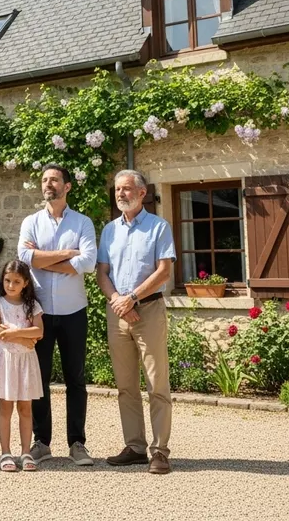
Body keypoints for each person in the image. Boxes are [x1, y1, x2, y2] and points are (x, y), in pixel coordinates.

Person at [96, 169, 175, 475]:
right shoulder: (109, 231)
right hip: (118, 314)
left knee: (157, 384)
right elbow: (102, 272)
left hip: (149, 312)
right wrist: (119, 301)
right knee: (125, 386)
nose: (120, 194)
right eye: (117, 190)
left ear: (142, 193)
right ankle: (135, 447)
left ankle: (159, 451)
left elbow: (164, 271)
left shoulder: (159, 227)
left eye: (127, 189)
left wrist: (133, 299)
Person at [18, 163, 96, 467]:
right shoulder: (31, 222)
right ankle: (42, 442)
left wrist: (43, 260)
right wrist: (68, 254)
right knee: (39, 379)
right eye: (44, 179)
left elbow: (88, 263)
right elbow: (24, 258)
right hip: (40, 314)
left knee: (76, 378)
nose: (48, 184)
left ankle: (77, 443)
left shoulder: (82, 223)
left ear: (67, 187)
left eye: (54, 180)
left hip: (74, 310)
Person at [0, 259, 44, 472]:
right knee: (5, 407)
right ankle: (5, 452)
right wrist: (22, 338)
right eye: (7, 280)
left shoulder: (33, 306)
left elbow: (38, 332)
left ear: (25, 283)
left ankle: (25, 451)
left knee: (25, 408)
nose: (10, 285)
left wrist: (12, 332)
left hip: (26, 362)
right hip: (7, 360)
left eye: (16, 281)